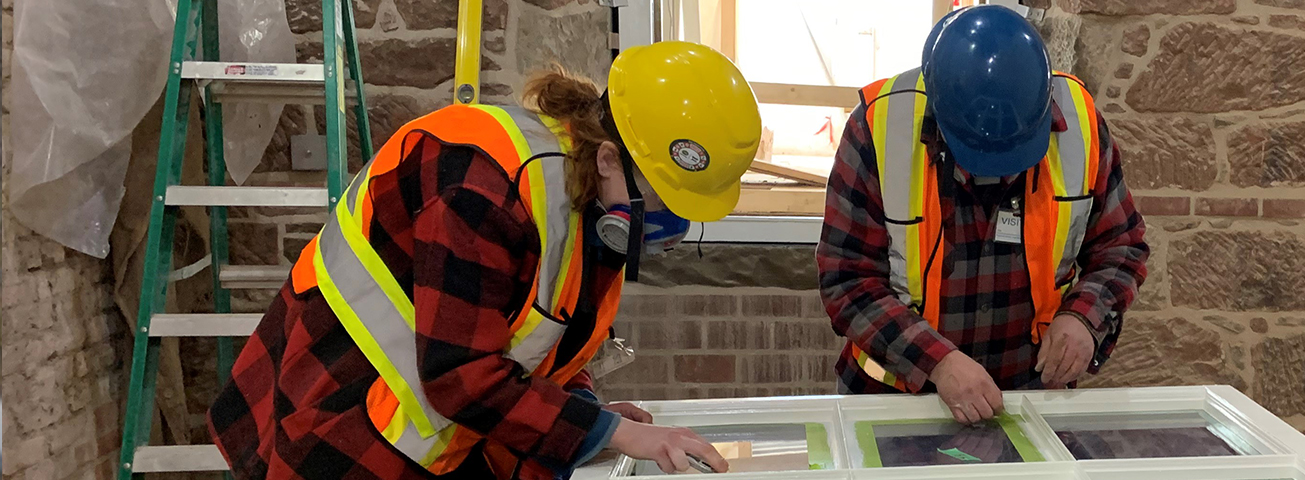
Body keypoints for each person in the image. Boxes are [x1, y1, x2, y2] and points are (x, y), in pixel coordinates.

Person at [208, 42, 759, 479]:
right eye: (662, 203)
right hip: (336, 417)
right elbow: (460, 375)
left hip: (423, 434)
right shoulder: (482, 188)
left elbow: (538, 328)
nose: (667, 228)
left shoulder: (585, 192)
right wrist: (608, 434)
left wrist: (587, 410)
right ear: (611, 157)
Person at [817, 5, 1149, 425]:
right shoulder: (878, 128)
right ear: (939, 116)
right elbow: (846, 280)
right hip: (894, 403)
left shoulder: (1081, 126)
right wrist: (938, 362)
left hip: (1028, 403)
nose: (1003, 172)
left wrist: (1084, 317)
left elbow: (1122, 246)